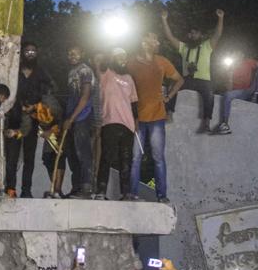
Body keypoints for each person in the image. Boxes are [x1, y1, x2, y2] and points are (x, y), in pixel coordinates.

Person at [128, 31, 182, 203]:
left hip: (157, 117)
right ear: (144, 42)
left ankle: (162, 196)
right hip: (136, 117)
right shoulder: (131, 63)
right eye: (154, 38)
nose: (157, 41)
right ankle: (132, 194)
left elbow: (179, 79)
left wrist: (169, 97)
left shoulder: (162, 61)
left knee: (158, 157)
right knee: (135, 158)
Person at [5, 41, 57, 198]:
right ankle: (10, 190)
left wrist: (36, 106)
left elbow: (51, 92)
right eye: (27, 51)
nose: (30, 54)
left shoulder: (42, 73)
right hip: (14, 119)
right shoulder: (13, 71)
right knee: (11, 158)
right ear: (22, 53)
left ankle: (26, 190)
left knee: (29, 158)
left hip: (33, 121)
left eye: (33, 51)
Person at [161, 8, 224, 133]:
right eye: (191, 33)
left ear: (200, 35)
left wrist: (220, 18)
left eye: (195, 33)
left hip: (203, 80)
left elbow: (218, 34)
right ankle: (169, 114)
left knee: (209, 95)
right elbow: (170, 37)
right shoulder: (183, 47)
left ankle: (206, 123)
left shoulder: (207, 46)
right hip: (187, 79)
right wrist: (164, 20)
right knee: (173, 85)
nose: (193, 35)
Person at [96, 48, 138, 201]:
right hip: (110, 121)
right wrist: (111, 50)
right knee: (107, 157)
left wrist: (136, 122)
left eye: (125, 57)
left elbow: (134, 103)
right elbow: (99, 60)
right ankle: (101, 191)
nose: (123, 59)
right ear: (113, 59)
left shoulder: (129, 78)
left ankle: (125, 193)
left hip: (128, 124)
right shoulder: (106, 73)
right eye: (120, 57)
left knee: (126, 159)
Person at [63, 45, 98, 198]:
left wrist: (72, 118)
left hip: (83, 116)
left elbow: (85, 96)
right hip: (73, 117)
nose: (72, 56)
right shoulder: (71, 72)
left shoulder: (85, 70)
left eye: (75, 53)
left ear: (82, 54)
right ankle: (76, 187)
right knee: (73, 154)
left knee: (83, 153)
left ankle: (86, 188)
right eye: (69, 53)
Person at [212, 56, 258, 134]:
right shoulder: (230, 67)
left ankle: (256, 95)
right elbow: (229, 89)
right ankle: (225, 124)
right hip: (238, 92)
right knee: (228, 94)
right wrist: (230, 75)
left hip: (249, 90)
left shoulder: (248, 62)